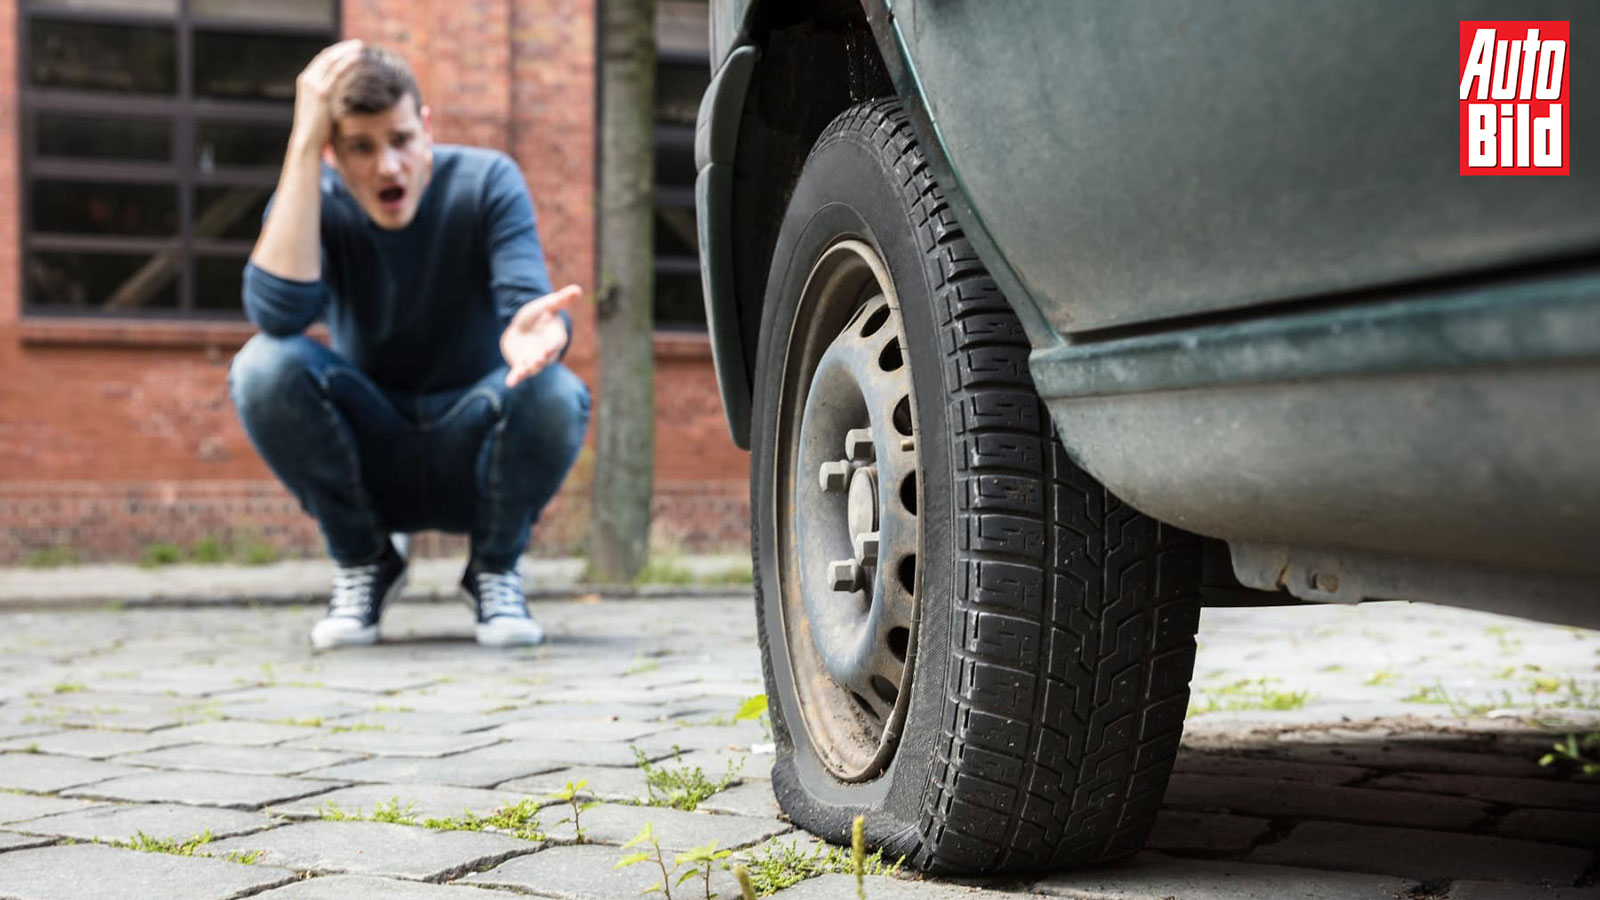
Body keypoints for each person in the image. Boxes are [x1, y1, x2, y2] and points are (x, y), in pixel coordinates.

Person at [228, 40, 590, 649]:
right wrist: (301, 147)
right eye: (359, 148)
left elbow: (530, 304)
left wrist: (539, 333)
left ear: (425, 128)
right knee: (262, 367)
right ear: (332, 153)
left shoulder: (486, 180)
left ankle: (496, 569)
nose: (387, 168)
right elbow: (277, 314)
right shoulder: (314, 199)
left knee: (556, 391)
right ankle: (366, 561)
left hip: (473, 443)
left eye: (399, 140)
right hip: (373, 448)